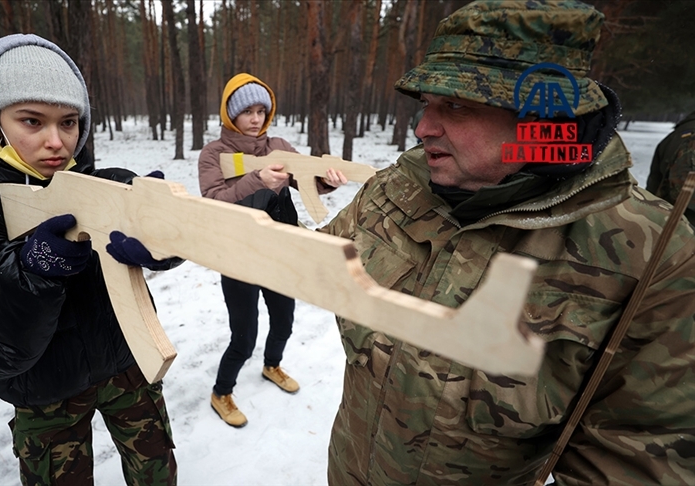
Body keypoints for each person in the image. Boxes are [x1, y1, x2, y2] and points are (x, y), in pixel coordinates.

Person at [321, 2, 695, 485]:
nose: (422, 129)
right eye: (426, 104)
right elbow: (306, 258)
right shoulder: (401, 186)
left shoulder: (651, 253)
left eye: (456, 106)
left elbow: (643, 455)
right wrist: (202, 226)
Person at [0, 34, 181, 486]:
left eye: (68, 122)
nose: (56, 142)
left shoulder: (106, 185)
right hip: (43, 394)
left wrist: (167, 232)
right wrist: (31, 270)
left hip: (129, 369)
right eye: (31, 121)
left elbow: (179, 233)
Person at [197, 73, 347, 427]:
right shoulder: (214, 153)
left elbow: (305, 180)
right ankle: (222, 392)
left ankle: (272, 365)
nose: (255, 118)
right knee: (243, 337)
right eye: (246, 110)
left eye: (261, 110)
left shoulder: (277, 145)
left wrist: (327, 179)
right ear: (230, 114)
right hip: (238, 257)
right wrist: (256, 180)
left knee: (283, 323)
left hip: (280, 253)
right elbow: (213, 201)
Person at [647, 111, 695, 223]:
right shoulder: (691, 139)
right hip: (682, 230)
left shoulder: (681, 133)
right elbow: (685, 192)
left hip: (666, 223)